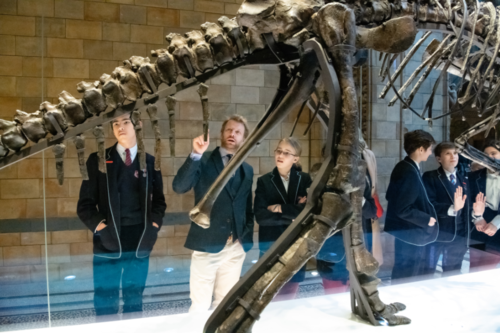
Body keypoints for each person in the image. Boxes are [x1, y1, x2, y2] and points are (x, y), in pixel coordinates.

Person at [77, 113, 166, 321]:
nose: (120, 127)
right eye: (115, 123)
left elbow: (159, 203)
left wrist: (152, 228)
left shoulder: (150, 162)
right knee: (105, 300)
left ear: (138, 125)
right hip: (107, 241)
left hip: (140, 240)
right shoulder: (98, 160)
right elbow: (85, 206)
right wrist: (101, 229)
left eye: (126, 122)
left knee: (134, 301)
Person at [172, 115, 254, 312]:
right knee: (200, 304)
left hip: (235, 247)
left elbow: (246, 207)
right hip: (207, 243)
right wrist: (195, 155)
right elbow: (179, 186)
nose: (232, 134)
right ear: (222, 133)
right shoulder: (205, 160)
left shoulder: (247, 169)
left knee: (225, 304)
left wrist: (245, 238)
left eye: (237, 132)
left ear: (244, 138)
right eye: (229, 130)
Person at [254, 137, 312, 300]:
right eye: (279, 151)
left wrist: (279, 208)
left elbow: (308, 211)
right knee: (267, 295)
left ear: (295, 159)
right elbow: (261, 217)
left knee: (290, 296)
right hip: (271, 245)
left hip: (296, 244)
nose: (281, 155)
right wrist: (293, 216)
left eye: (286, 153)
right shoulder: (264, 181)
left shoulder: (305, 179)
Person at [385, 130, 438, 282]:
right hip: (410, 233)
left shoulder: (404, 166)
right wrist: (427, 219)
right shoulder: (409, 171)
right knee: (409, 273)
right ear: (421, 149)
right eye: (429, 149)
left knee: (404, 270)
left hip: (405, 232)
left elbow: (390, 196)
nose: (430, 153)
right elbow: (403, 209)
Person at [422, 142, 470, 276]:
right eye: (448, 153)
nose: (453, 156)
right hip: (437, 234)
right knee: (427, 272)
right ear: (438, 158)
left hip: (460, 236)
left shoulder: (464, 179)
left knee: (453, 272)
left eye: (455, 153)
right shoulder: (430, 177)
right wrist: (451, 208)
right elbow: (427, 204)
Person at [469, 139, 500, 270]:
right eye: (486, 155)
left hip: (498, 229)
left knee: (489, 270)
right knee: (474, 268)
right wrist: (477, 218)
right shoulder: (473, 176)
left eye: (494, 153)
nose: (490, 157)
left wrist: (496, 223)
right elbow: (468, 201)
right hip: (478, 228)